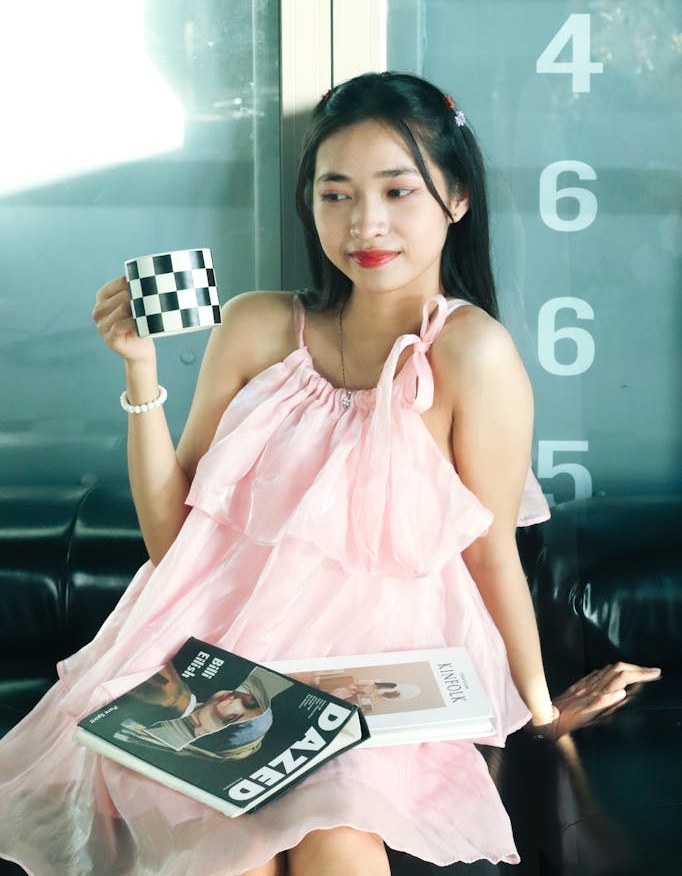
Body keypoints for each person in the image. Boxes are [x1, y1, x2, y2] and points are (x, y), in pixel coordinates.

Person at [0, 72, 660, 876]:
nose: (364, 224)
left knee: (340, 840)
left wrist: (541, 708)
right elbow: (176, 543)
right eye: (336, 194)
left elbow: (490, 556)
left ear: (456, 198)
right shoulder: (255, 326)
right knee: (227, 855)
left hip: (380, 682)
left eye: (397, 191)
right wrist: (140, 371)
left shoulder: (472, 354)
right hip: (221, 665)